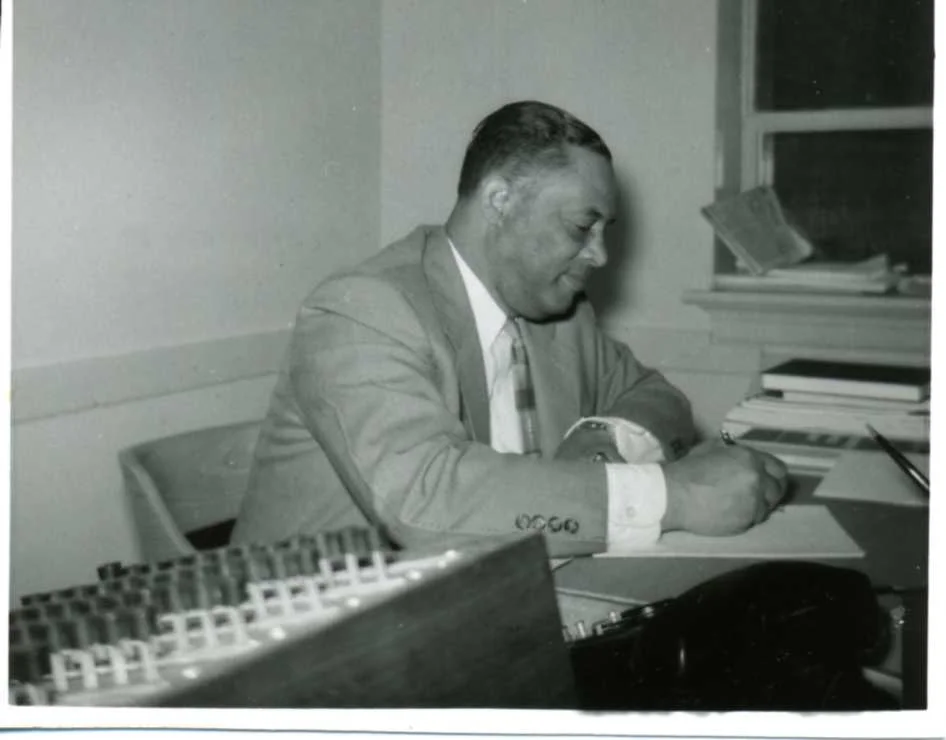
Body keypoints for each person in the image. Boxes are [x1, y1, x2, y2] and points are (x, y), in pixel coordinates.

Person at [232, 100, 788, 556]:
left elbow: (657, 397)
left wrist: (606, 441)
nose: (598, 255)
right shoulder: (361, 310)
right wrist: (673, 497)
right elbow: (427, 500)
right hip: (313, 645)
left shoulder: (560, 312)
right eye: (581, 226)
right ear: (499, 199)